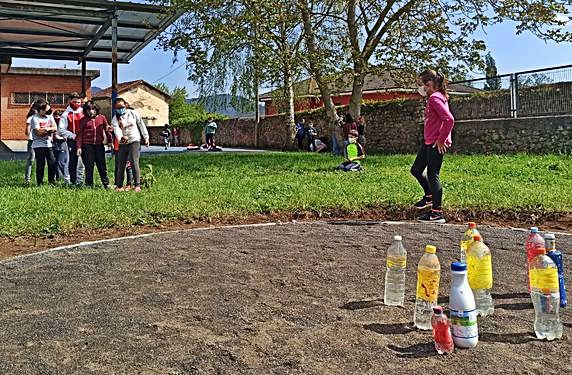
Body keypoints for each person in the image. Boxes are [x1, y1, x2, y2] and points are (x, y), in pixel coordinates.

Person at [411, 70, 455, 224]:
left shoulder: (435, 98)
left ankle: (437, 213)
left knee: (432, 174)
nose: (422, 88)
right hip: (429, 141)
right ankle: (429, 196)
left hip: (436, 143)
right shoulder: (437, 97)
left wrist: (442, 140)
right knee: (416, 170)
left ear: (429, 84)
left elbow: (449, 120)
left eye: (423, 85)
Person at [111, 97, 149, 192]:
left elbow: (141, 125)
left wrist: (146, 137)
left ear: (126, 105)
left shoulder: (133, 113)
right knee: (121, 164)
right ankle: (119, 186)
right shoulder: (115, 119)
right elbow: (117, 130)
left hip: (134, 141)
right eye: (118, 107)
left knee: (133, 162)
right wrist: (121, 138)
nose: (120, 109)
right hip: (123, 143)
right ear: (115, 108)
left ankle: (137, 185)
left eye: (122, 106)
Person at [76, 101, 111, 188]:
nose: (91, 111)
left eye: (93, 109)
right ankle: (89, 184)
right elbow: (79, 134)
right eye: (88, 110)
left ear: (96, 109)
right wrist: (79, 147)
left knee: (102, 165)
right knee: (89, 166)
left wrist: (110, 141)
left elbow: (107, 130)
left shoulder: (102, 118)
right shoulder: (83, 120)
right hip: (87, 146)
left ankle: (106, 184)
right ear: (86, 111)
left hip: (99, 145)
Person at [58, 92, 84, 186]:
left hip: (84, 140)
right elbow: (61, 130)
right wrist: (73, 136)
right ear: (70, 101)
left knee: (82, 162)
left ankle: (80, 181)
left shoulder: (84, 112)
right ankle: (71, 181)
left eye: (78, 102)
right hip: (72, 141)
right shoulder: (65, 114)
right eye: (74, 102)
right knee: (72, 161)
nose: (77, 104)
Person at [29, 99, 57, 185]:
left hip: (49, 144)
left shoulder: (49, 116)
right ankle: (39, 183)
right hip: (38, 145)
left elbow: (55, 128)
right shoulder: (34, 118)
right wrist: (49, 130)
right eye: (44, 109)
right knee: (40, 164)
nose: (47, 111)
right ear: (39, 109)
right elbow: (38, 133)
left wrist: (46, 129)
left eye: (47, 109)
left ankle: (52, 182)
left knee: (52, 163)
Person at [52, 110, 70, 184]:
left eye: (58, 116)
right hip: (54, 145)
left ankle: (67, 178)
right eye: (55, 116)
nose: (56, 117)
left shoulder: (64, 124)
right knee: (55, 163)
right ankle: (57, 178)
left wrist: (59, 137)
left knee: (61, 162)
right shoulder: (53, 124)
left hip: (62, 145)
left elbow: (66, 136)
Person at [23, 103, 37, 184]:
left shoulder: (44, 117)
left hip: (41, 141)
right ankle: (27, 180)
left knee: (40, 161)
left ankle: (38, 179)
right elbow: (27, 132)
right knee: (31, 160)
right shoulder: (30, 118)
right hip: (32, 141)